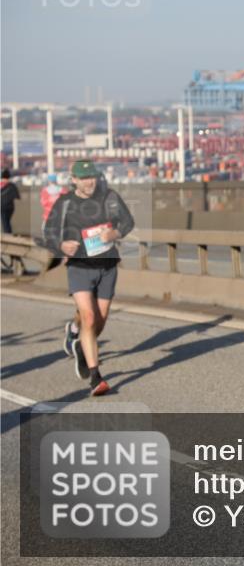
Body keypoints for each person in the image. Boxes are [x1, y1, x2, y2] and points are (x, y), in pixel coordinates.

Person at [43, 159, 134, 397]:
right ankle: (95, 377)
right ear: (73, 180)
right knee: (89, 316)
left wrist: (113, 233)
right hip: (79, 266)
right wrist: (62, 245)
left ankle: (78, 338)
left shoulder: (109, 198)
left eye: (92, 176)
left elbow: (128, 222)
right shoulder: (65, 203)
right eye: (83, 178)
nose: (89, 181)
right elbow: (49, 233)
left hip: (107, 265)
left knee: (99, 320)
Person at [1, 169, 20, 234]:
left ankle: (8, 235)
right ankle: (9, 233)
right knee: (7, 221)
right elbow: (17, 196)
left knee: (5, 222)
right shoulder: (12, 185)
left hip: (2, 206)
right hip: (10, 207)